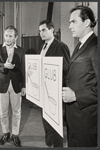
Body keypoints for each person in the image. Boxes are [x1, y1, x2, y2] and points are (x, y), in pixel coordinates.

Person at [62, 6, 98, 147]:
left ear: (87, 22)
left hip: (87, 122)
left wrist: (77, 96)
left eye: (73, 22)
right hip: (74, 118)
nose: (70, 26)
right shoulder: (80, 45)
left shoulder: (95, 46)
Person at [0, 25, 26, 147]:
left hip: (16, 85)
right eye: (6, 35)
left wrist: (24, 86)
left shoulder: (21, 50)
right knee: (3, 112)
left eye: (10, 36)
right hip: (2, 85)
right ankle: (5, 133)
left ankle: (15, 135)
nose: (8, 38)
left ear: (16, 37)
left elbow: (24, 69)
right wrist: (4, 66)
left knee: (17, 112)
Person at [38, 20, 70, 147]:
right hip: (43, 89)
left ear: (52, 30)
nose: (41, 33)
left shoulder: (61, 46)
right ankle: (49, 142)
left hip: (54, 89)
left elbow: (67, 69)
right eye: (40, 31)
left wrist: (58, 87)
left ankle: (57, 145)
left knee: (55, 120)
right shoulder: (43, 46)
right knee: (45, 117)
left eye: (44, 30)